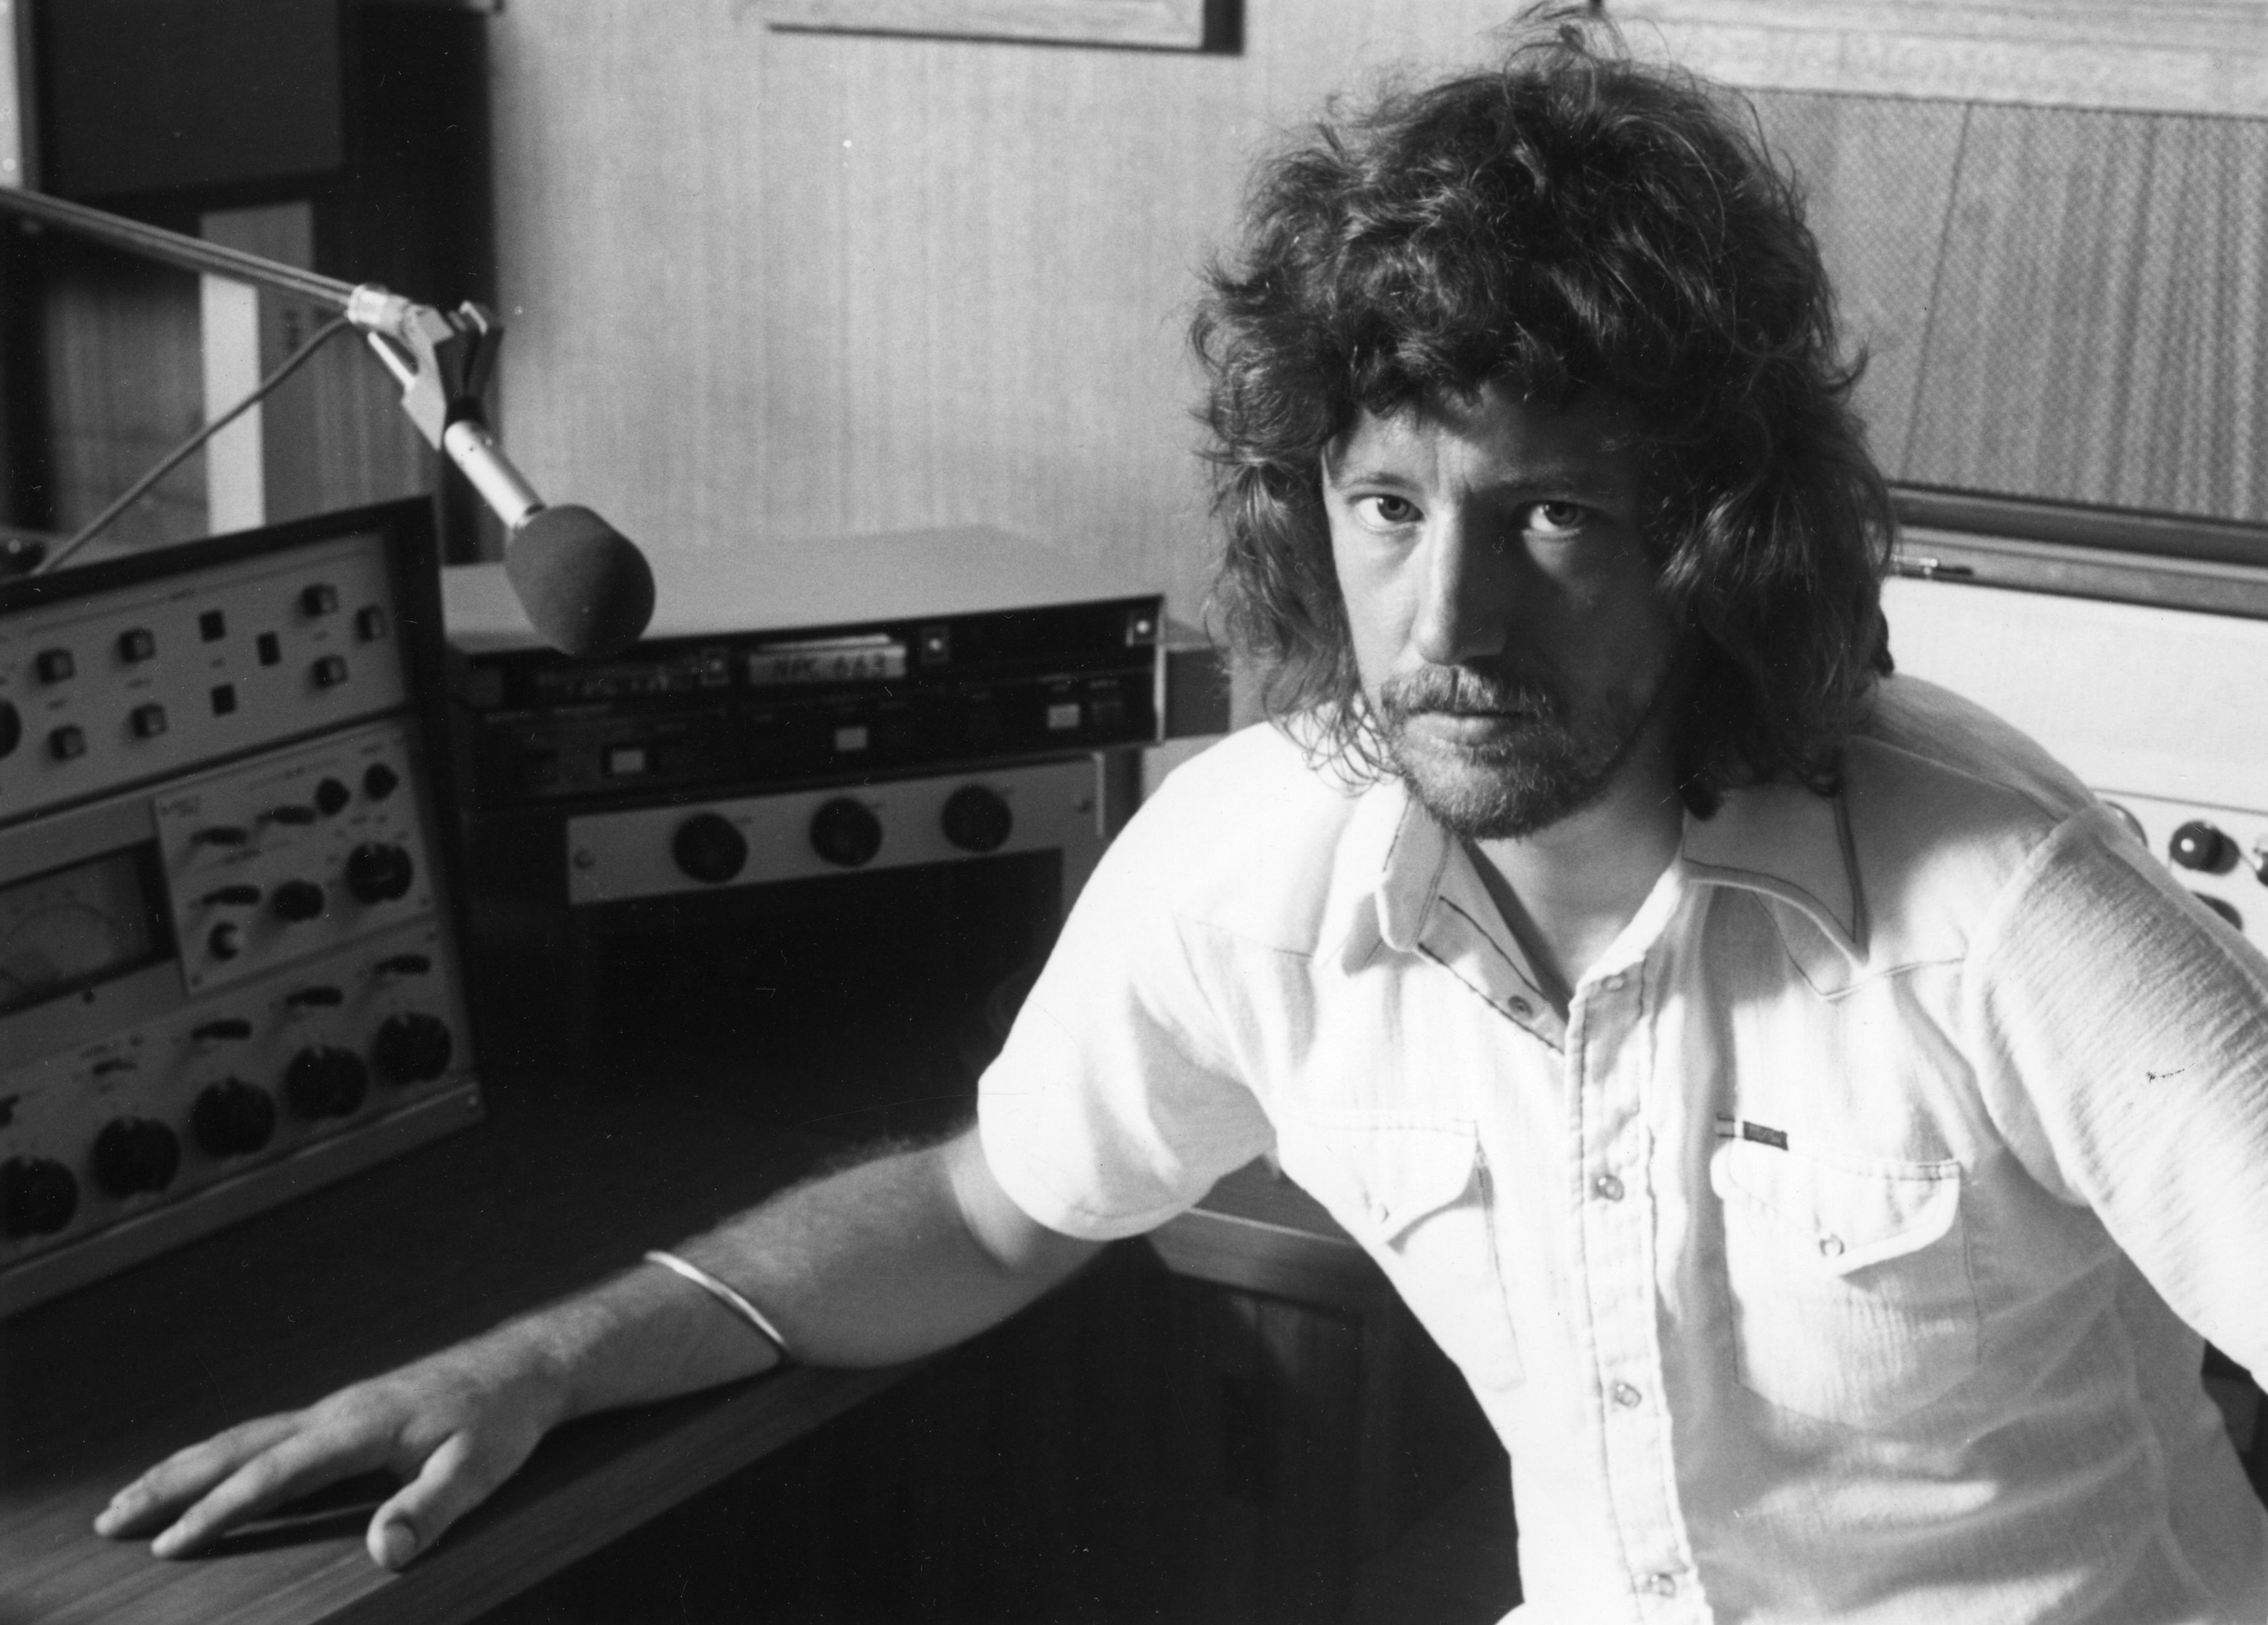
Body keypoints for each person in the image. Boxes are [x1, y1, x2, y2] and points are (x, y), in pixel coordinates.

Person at [97, 13, 2268, 1621]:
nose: (1452, 617)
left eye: (1556, 519)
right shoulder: (1259, 858)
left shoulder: (2006, 908)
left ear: (1713, 534)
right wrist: (551, 1353)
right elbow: (987, 1210)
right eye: (1392, 508)